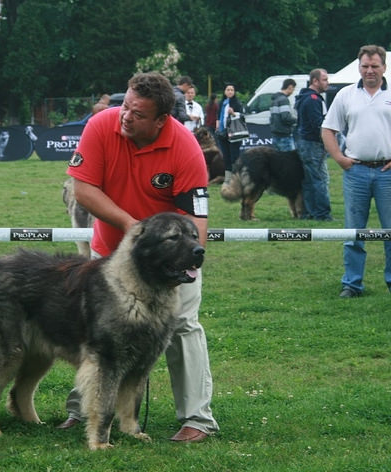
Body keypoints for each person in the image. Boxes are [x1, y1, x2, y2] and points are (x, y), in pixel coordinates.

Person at [62, 72, 219, 443]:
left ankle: (197, 418)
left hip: (168, 257)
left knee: (182, 324)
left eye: (137, 113)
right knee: (99, 334)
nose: (125, 117)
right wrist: (132, 226)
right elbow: (82, 189)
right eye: (125, 106)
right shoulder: (101, 126)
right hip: (111, 250)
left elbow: (196, 220)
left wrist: (189, 262)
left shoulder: (185, 148)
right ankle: (82, 410)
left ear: (162, 119)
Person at [322, 45, 391, 298]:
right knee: (353, 232)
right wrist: (339, 158)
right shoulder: (346, 95)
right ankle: (352, 284)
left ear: (384, 67)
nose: (369, 70)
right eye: (365, 66)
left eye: (374, 66)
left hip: (387, 173)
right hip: (356, 173)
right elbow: (328, 129)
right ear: (359, 67)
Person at [295, 68, 332, 221]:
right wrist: (327, 140)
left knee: (310, 179)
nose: (327, 83)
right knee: (319, 179)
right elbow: (318, 124)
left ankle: (309, 212)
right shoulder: (313, 100)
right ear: (315, 81)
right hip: (312, 144)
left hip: (305, 143)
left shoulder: (305, 97)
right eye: (324, 79)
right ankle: (322, 214)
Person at [216, 83, 244, 182]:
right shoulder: (222, 103)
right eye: (228, 90)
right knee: (226, 155)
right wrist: (218, 126)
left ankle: (236, 177)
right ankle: (228, 178)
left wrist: (233, 113)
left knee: (234, 155)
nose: (230, 92)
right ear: (225, 91)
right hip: (223, 133)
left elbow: (242, 116)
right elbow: (218, 115)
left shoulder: (237, 103)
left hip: (234, 132)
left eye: (232, 90)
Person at [270, 78, 297, 151]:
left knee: (278, 160)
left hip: (275, 134)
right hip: (284, 135)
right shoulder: (284, 100)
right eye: (293, 89)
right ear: (290, 87)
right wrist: (297, 120)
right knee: (288, 160)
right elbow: (286, 117)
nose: (293, 91)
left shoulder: (274, 100)